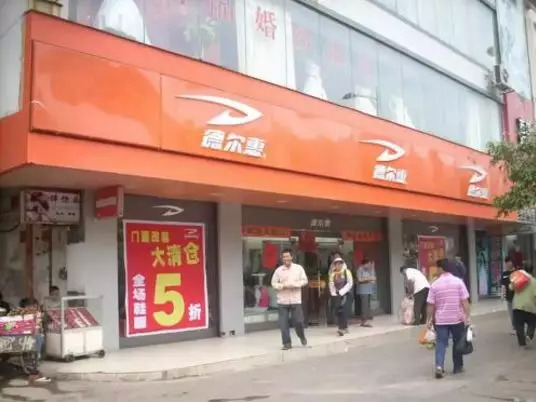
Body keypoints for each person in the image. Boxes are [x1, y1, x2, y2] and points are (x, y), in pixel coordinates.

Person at [426, 258, 471, 379]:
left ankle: (439, 366)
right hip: (457, 319)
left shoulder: (435, 285)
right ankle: (457, 367)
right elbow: (465, 301)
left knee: (441, 343)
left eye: (437, 268)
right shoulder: (458, 282)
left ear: (441, 269)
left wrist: (429, 319)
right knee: (457, 342)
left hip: (441, 320)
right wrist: (467, 316)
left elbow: (430, 305)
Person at [271, 248, 309, 350]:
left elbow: (305, 280)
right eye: (284, 257)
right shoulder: (278, 271)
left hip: (295, 300)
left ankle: (301, 336)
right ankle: (286, 343)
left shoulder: (298, 268)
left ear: (292, 257)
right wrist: (281, 286)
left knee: (298, 322)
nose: (286, 258)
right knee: (283, 324)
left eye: (287, 256)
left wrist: (295, 284)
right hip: (282, 301)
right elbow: (273, 283)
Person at [328, 257, 354, 336]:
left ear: (342, 264)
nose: (338, 265)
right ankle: (345, 328)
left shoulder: (346, 272)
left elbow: (350, 283)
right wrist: (334, 294)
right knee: (338, 311)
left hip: (346, 294)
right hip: (337, 295)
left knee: (344, 311)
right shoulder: (333, 274)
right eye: (336, 264)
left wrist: (342, 292)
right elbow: (331, 284)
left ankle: (341, 329)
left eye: (340, 263)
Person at [511, 269, 536, 348]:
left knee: (519, 325)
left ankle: (522, 342)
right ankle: (529, 335)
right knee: (532, 323)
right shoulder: (534, 281)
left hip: (517, 306)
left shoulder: (518, 279)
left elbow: (511, 287)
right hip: (530, 306)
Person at [356, 258, 376, 328]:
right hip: (363, 291)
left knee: (367, 305)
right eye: (368, 264)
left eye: (370, 264)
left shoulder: (369, 270)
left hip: (369, 290)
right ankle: (364, 321)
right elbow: (359, 279)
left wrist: (373, 267)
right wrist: (369, 279)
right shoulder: (360, 269)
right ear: (365, 264)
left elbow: (374, 278)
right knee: (364, 306)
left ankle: (366, 319)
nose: (369, 265)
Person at [501, 256, 517, 333]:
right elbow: (503, 285)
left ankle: (516, 327)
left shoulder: (516, 271)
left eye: (509, 262)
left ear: (512, 262)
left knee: (515, 312)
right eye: (506, 262)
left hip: (516, 295)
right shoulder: (504, 273)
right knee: (511, 313)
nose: (507, 264)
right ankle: (514, 327)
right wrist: (502, 295)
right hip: (508, 296)